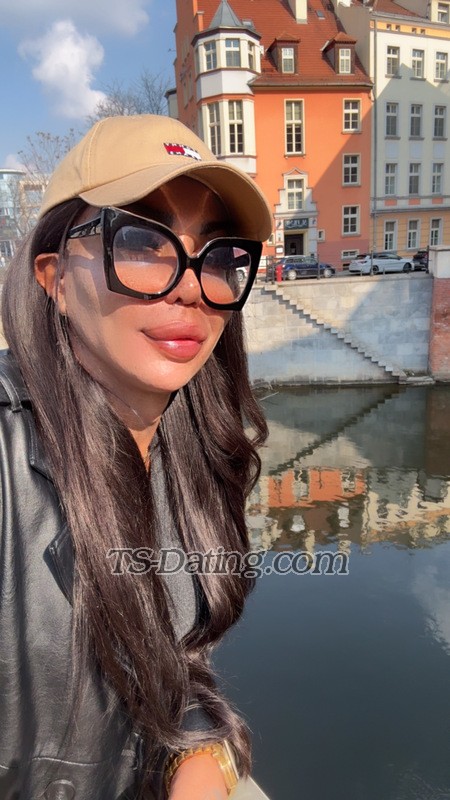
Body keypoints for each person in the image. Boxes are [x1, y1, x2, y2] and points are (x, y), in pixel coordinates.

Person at [0, 114, 272, 800]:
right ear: (55, 277)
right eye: (144, 241)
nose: (192, 286)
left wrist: (203, 758)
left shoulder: (193, 454)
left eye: (219, 255)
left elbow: (176, 666)